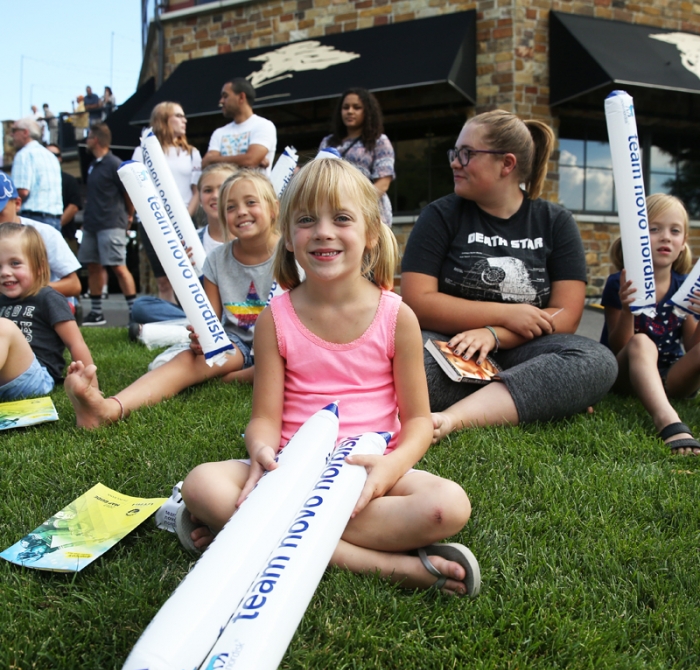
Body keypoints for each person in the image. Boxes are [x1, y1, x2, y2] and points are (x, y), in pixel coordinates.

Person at [177, 158, 479, 596]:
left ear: (371, 233)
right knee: (201, 484)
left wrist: (391, 467)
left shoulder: (398, 317)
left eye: (341, 218)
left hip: (368, 477)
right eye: (305, 220)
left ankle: (247, 536)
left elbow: (417, 422)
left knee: (448, 506)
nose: (322, 231)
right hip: (290, 473)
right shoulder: (274, 320)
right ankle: (390, 567)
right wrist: (260, 447)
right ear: (288, 239)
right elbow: (264, 417)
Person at [400, 110, 618, 442]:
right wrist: (506, 313)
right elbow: (417, 301)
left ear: (507, 164)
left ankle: (455, 418)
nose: (455, 163)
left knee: (596, 360)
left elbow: (567, 315)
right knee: (409, 366)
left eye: (467, 154)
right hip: (448, 345)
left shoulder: (555, 221)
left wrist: (495, 334)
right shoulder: (440, 216)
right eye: (454, 153)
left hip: (525, 347)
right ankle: (533, 395)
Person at [65, 170, 283, 427]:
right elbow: (210, 322)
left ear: (273, 208)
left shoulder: (291, 254)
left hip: (282, 345)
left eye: (251, 202)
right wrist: (203, 339)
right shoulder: (216, 260)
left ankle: (240, 376)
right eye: (231, 207)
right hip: (236, 344)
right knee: (188, 360)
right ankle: (109, 409)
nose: (241, 212)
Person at [601, 194, 700, 455]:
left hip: (671, 379)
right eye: (653, 229)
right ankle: (667, 420)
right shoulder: (619, 282)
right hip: (624, 375)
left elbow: (693, 348)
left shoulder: (683, 286)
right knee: (642, 342)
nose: (665, 236)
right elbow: (619, 344)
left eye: (674, 230)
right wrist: (627, 309)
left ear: (683, 243)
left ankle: (664, 401)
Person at [130, 163, 237, 326]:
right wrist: (180, 269)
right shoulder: (189, 239)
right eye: (208, 190)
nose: (215, 195)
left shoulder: (247, 238)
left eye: (222, 188)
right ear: (199, 198)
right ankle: (200, 327)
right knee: (141, 307)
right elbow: (183, 296)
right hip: (200, 312)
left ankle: (184, 329)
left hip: (241, 310)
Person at [0, 223, 93, 402]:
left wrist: (91, 386)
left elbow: (76, 343)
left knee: (4, 327)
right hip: (5, 379)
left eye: (15, 263)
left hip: (36, 379)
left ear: (39, 267)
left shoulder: (48, 297)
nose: (5, 272)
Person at [132, 101, 203, 305]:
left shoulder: (191, 153)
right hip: (153, 222)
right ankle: (169, 323)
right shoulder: (142, 151)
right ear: (163, 119)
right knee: (164, 281)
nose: (184, 120)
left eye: (184, 116)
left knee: (188, 276)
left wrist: (184, 217)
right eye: (178, 116)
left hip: (184, 221)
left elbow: (196, 190)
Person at [79, 122, 137, 325]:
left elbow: (128, 192)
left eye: (88, 137)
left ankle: (134, 313)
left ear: (95, 139)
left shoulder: (114, 163)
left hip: (112, 223)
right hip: (93, 225)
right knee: (93, 266)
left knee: (118, 267)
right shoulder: (94, 165)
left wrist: (129, 216)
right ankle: (97, 314)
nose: (86, 141)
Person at [319, 88, 395, 227]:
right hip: (331, 210)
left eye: (357, 107)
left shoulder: (379, 141)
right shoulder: (328, 142)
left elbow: (383, 184)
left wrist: (354, 204)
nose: (350, 111)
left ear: (368, 111)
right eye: (345, 107)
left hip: (368, 210)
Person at [0, 172, 81, 300]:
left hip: (41, 309)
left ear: (17, 204)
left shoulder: (44, 233)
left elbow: (73, 285)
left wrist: (27, 289)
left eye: (0, 213)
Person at [202, 78, 276, 176]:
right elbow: (205, 163)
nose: (221, 101)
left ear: (241, 97)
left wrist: (215, 160)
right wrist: (245, 159)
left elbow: (250, 161)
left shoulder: (264, 125)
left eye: (225, 96)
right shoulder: (219, 132)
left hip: (254, 190)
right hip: (225, 191)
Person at [10, 118, 63, 231]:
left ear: (25, 132)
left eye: (14, 131)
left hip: (32, 219)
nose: (11, 135)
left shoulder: (23, 154)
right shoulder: (51, 156)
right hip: (55, 220)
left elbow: (22, 191)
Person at [46, 145, 82, 252]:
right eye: (48, 155)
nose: (51, 158)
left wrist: (55, 226)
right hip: (41, 235)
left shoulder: (69, 180)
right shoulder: (36, 181)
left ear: (60, 158)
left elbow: (73, 207)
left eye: (55, 155)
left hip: (64, 234)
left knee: (68, 268)